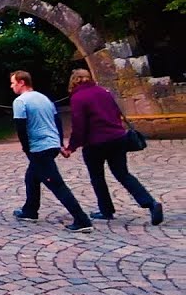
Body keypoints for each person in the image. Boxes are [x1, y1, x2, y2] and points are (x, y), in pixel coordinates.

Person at [63, 69, 164, 225]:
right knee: (123, 174)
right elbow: (116, 113)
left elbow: (79, 126)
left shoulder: (78, 97)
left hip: (95, 142)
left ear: (74, 80)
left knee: (97, 177)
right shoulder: (104, 92)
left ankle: (106, 210)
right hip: (117, 138)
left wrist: (71, 147)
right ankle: (150, 203)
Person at [9, 70, 93, 232]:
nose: (11, 86)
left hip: (39, 148)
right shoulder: (44, 98)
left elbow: (21, 128)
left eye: (13, 83)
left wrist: (27, 150)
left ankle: (82, 220)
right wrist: (59, 143)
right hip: (52, 145)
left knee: (56, 184)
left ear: (21, 82)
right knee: (31, 177)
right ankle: (30, 210)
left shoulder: (20, 102)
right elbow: (58, 121)